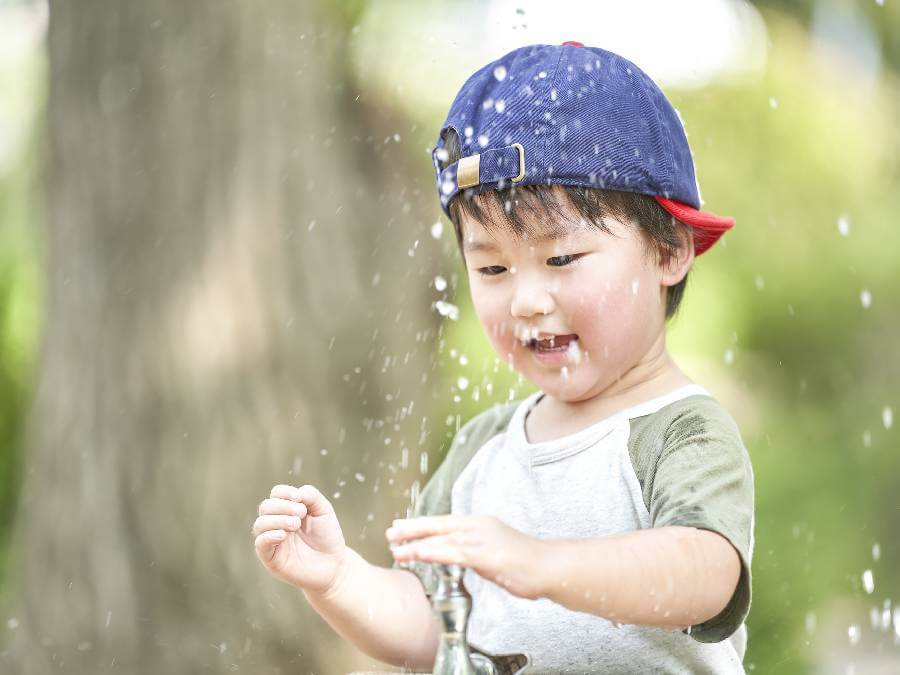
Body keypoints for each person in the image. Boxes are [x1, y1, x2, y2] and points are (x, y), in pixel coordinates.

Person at [252, 42, 755, 674]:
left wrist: (541, 564)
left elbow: (703, 573)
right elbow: (433, 626)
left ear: (668, 252)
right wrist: (337, 579)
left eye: (562, 259)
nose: (525, 300)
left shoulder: (679, 430)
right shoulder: (482, 451)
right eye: (492, 267)